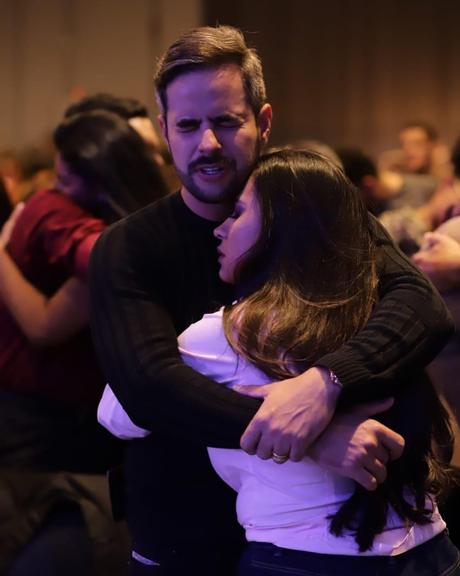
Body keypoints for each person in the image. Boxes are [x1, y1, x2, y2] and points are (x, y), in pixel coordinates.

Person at [89, 26, 453, 575]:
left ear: (262, 122)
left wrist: (325, 383)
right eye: (188, 126)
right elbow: (147, 388)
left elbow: (419, 307)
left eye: (226, 121)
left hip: (329, 537)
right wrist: (308, 434)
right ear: (164, 131)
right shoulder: (129, 246)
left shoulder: (313, 211)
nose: (207, 143)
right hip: (184, 534)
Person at [0, 110, 167, 575]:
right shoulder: (57, 211)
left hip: (79, 428)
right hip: (39, 428)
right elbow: (46, 325)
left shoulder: (115, 223)